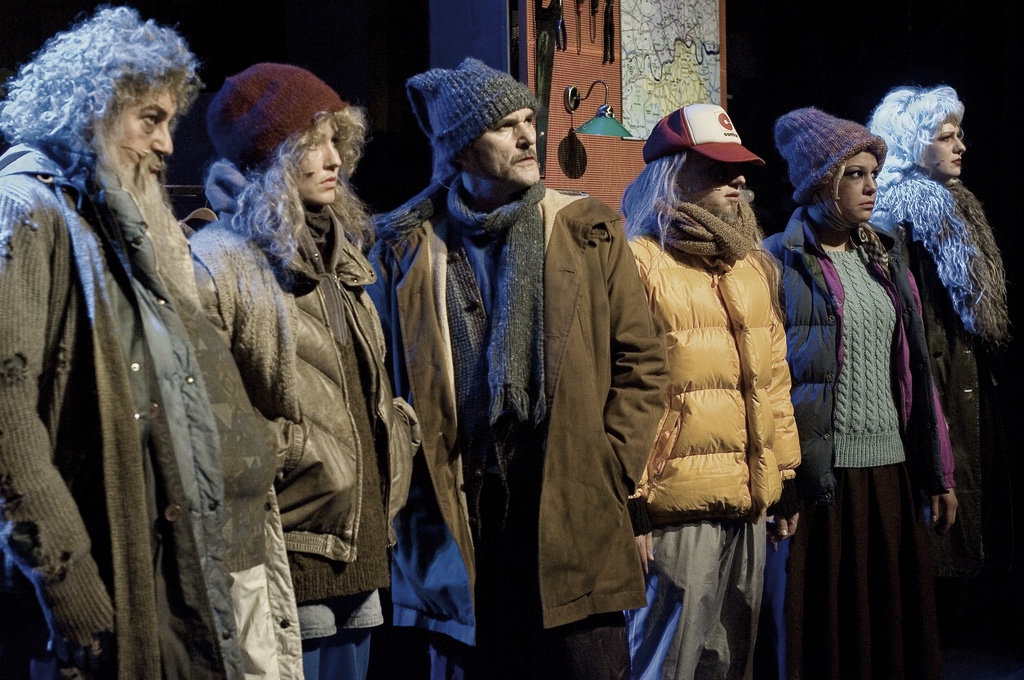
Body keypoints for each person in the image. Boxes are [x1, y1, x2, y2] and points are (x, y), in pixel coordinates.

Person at [0, 7, 304, 678]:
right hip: (93, 597)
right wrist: (72, 591)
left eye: (170, 121)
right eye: (150, 119)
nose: (168, 144)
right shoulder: (28, 210)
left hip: (161, 579)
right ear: (92, 109)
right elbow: (6, 422)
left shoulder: (110, 220)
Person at [369, 57, 668, 680]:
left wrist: (609, 466)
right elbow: (385, 385)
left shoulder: (586, 228)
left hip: (572, 511)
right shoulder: (406, 247)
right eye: (505, 126)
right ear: (461, 148)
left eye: (529, 120)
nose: (529, 137)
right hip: (462, 519)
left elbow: (641, 360)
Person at [191, 63, 419, 680]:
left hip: (357, 544)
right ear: (271, 154)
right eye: (313, 143)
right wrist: (293, 453)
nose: (333, 158)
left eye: (336, 140)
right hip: (288, 548)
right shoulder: (220, 262)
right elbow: (202, 415)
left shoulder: (341, 254)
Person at [765, 107, 957, 680]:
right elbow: (769, 380)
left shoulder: (886, 257)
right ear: (819, 182)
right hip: (821, 478)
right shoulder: (777, 260)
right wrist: (780, 481)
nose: (871, 186)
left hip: (890, 471)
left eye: (873, 172)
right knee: (827, 634)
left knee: (890, 630)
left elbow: (916, 371)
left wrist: (940, 473)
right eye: (854, 174)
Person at [621, 104, 801, 680]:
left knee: (728, 663)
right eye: (718, 168)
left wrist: (784, 477)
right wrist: (630, 502)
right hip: (673, 509)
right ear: (673, 173)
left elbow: (773, 380)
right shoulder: (639, 263)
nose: (738, 178)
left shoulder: (752, 267)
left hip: (746, 501)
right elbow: (618, 392)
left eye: (738, 167)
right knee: (665, 664)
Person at [868, 86, 1013, 589]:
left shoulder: (957, 207)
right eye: (945, 137)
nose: (960, 146)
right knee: (939, 536)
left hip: (965, 375)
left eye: (959, 135)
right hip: (933, 381)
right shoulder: (897, 218)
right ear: (913, 144)